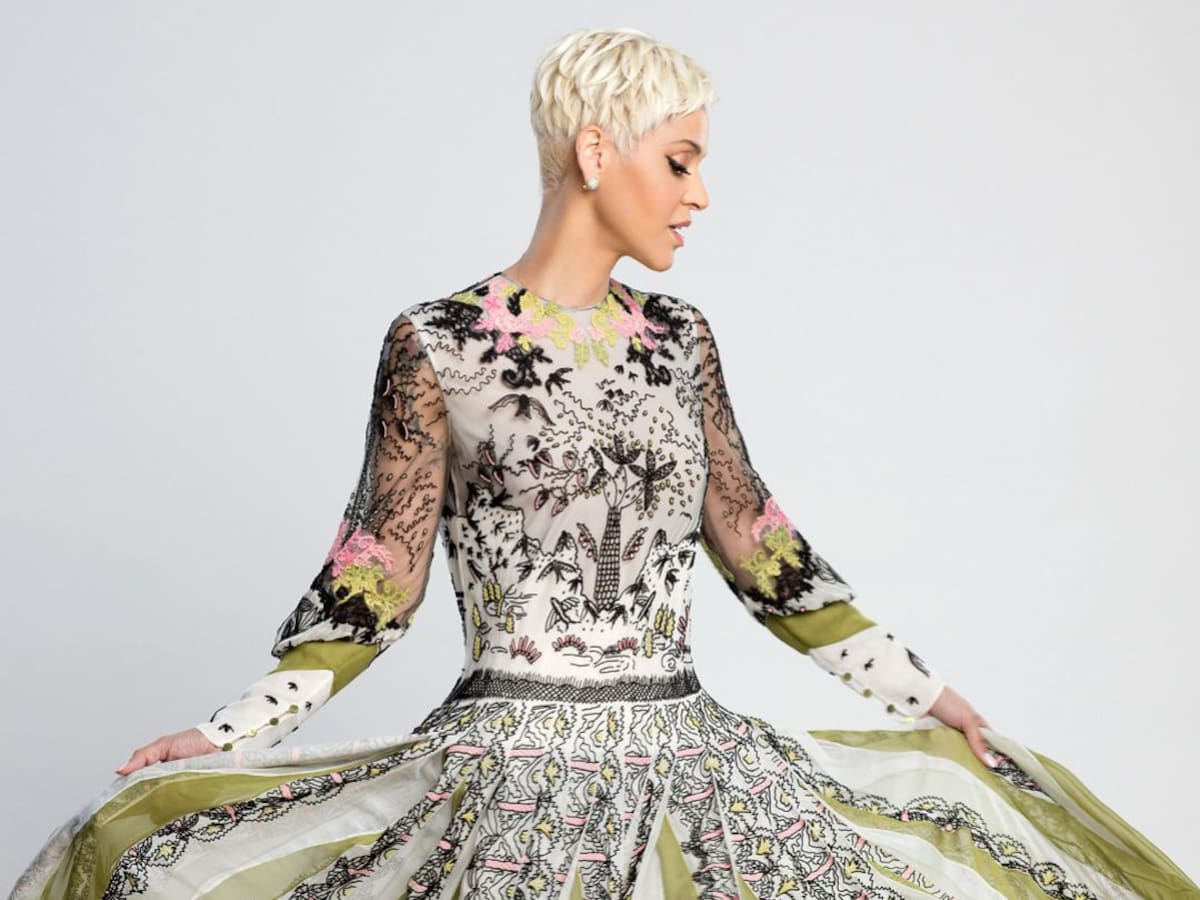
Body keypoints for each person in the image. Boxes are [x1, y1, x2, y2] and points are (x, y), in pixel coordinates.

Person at [11, 26, 1197, 900]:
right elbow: (375, 582)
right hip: (505, 778)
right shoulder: (435, 344)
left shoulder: (681, 340)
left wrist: (933, 700)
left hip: (691, 759)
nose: (701, 194)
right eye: (680, 161)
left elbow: (762, 548)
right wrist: (227, 735)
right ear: (595, 150)